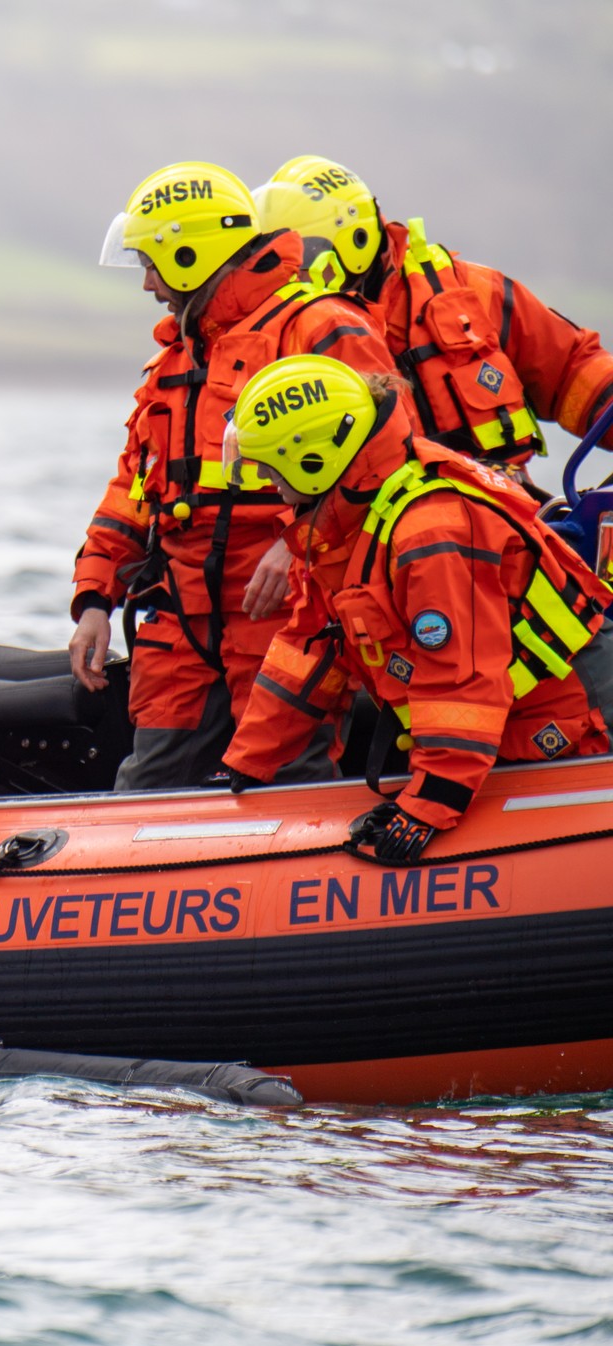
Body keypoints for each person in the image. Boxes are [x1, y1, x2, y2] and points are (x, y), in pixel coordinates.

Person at [73, 160, 397, 790]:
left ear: (190, 256)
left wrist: (294, 542)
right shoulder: (175, 358)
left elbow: (385, 457)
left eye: (151, 264)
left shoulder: (321, 329)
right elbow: (133, 493)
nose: (146, 285)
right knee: (150, 780)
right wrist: (94, 600)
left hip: (284, 601)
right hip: (181, 608)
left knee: (289, 773)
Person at [221, 355, 613, 862]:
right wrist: (249, 763)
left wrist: (431, 804)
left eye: (269, 468)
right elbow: (309, 652)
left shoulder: (429, 530)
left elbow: (462, 680)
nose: (265, 483)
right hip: (501, 731)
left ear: (313, 459)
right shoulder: (343, 523)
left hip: (567, 726)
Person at [251, 156, 613, 487]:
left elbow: (572, 369)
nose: (294, 271)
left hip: (511, 519)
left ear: (355, 238)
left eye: (305, 253)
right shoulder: (288, 331)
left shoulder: (470, 291)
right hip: (383, 538)